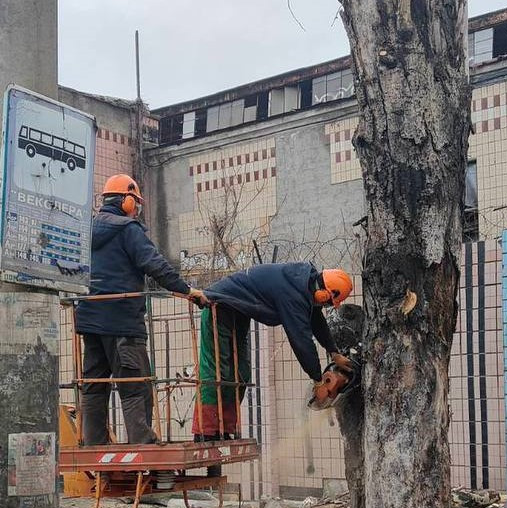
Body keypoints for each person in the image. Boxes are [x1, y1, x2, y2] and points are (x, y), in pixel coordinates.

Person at [75, 174, 192, 445]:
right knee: (135, 385)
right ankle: (142, 442)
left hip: (90, 321)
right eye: (136, 203)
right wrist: (187, 291)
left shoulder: (86, 231)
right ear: (126, 201)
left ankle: (95, 443)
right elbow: (155, 265)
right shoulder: (129, 230)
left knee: (94, 384)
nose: (137, 209)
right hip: (122, 323)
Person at [188, 262, 353, 441]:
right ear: (323, 292)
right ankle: (205, 431)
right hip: (218, 307)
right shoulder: (292, 293)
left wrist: (334, 352)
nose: (326, 306)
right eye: (328, 303)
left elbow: (316, 319)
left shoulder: (302, 285)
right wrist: (318, 381)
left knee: (240, 373)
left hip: (238, 315)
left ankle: (223, 429)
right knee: (218, 371)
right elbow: (301, 341)